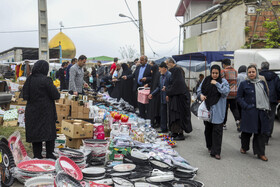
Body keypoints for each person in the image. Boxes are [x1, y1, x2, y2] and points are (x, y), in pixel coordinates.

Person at [22, 60, 60, 159]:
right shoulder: (46, 80)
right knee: (49, 133)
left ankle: (37, 156)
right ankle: (49, 154)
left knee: (36, 134)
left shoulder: (29, 79)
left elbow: (25, 96)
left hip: (33, 111)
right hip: (46, 111)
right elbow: (56, 95)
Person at [237, 64, 270, 161]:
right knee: (247, 132)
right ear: (247, 73)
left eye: (253, 72)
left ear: (256, 73)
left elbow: (266, 95)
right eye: (249, 72)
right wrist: (246, 106)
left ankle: (260, 153)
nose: (251, 74)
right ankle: (244, 147)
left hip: (260, 112)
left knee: (260, 133)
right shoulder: (244, 84)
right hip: (249, 112)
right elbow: (239, 97)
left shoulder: (261, 83)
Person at [197, 65, 230, 160]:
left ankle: (216, 152)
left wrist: (217, 84)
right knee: (208, 130)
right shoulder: (206, 80)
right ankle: (210, 147)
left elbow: (225, 92)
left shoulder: (223, 81)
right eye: (213, 73)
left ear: (219, 73)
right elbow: (199, 90)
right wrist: (201, 95)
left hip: (218, 111)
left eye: (216, 73)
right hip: (207, 110)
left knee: (217, 131)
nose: (214, 75)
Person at [165, 58, 192, 140]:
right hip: (174, 97)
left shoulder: (177, 70)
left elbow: (177, 84)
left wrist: (168, 91)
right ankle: (174, 132)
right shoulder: (174, 70)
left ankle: (180, 133)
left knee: (178, 116)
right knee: (173, 115)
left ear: (171, 63)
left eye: (167, 64)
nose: (166, 66)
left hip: (179, 98)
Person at [259, 61, 280, 144]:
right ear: (268, 67)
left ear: (261, 67)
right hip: (272, 99)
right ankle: (268, 133)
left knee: (261, 116)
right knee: (271, 117)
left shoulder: (258, 75)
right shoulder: (275, 76)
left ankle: (261, 133)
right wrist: (278, 98)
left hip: (261, 99)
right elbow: (278, 88)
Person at [149, 62, 172, 132]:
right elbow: (159, 87)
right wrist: (152, 94)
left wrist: (168, 92)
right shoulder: (161, 76)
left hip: (168, 97)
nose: (159, 71)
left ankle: (170, 128)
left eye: (160, 69)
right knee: (163, 113)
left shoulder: (169, 75)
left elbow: (172, 86)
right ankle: (163, 128)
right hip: (162, 97)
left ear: (164, 68)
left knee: (169, 114)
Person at [221, 58, 240, 131]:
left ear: (224, 64)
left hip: (226, 93)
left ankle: (224, 124)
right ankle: (238, 121)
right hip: (234, 93)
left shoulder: (223, 71)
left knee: (224, 109)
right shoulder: (235, 71)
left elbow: (221, 81)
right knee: (234, 108)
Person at [146, 64, 161, 128]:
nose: (151, 71)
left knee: (156, 109)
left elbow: (158, 86)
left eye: (152, 70)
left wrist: (152, 93)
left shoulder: (157, 75)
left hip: (156, 95)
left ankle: (157, 123)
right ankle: (154, 122)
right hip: (154, 94)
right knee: (154, 109)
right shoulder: (155, 75)